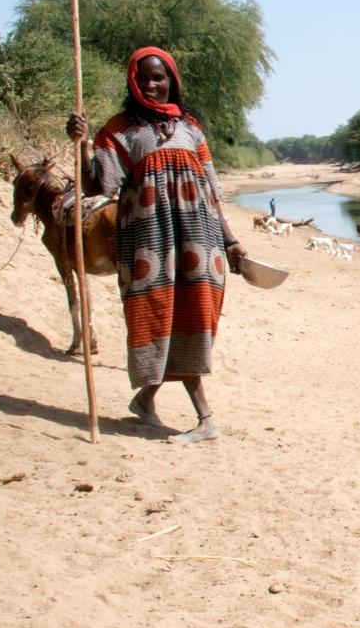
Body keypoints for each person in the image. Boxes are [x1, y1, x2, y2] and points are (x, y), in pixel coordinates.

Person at [67, 46, 248, 444]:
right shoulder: (118, 130)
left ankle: (147, 400)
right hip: (148, 240)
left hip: (199, 238)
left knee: (195, 314)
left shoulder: (191, 127)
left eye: (159, 77)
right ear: (133, 81)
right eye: (144, 77)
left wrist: (231, 240)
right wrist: (82, 147)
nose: (151, 84)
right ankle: (206, 419)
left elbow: (213, 190)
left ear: (172, 80)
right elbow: (99, 185)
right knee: (159, 314)